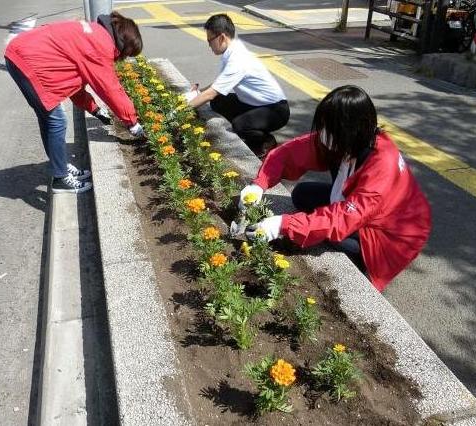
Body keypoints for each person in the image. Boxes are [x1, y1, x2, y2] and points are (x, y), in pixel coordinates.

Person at [240, 86, 432, 292]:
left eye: (328, 129)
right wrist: (259, 185)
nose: (322, 135)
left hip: (393, 232)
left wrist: (283, 225)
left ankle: (362, 265)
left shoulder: (382, 164)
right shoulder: (348, 140)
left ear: (351, 129)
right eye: (322, 126)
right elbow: (289, 153)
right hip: (362, 207)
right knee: (302, 194)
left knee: (331, 236)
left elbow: (341, 219)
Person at [4, 12, 146, 194]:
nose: (124, 59)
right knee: (56, 121)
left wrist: (95, 110)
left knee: (48, 119)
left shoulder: (95, 33)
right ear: (125, 46)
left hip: (21, 54)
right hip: (28, 60)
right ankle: (60, 179)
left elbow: (74, 83)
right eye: (128, 55)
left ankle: (59, 165)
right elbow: (111, 89)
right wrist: (132, 123)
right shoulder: (100, 45)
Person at [185, 14, 290, 158]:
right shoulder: (231, 51)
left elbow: (211, 93)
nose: (209, 45)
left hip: (275, 110)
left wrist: (181, 110)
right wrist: (199, 91)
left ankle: (265, 141)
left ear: (221, 37)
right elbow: (218, 86)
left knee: (240, 125)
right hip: (256, 104)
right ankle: (251, 128)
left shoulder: (237, 59)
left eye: (210, 41)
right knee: (218, 100)